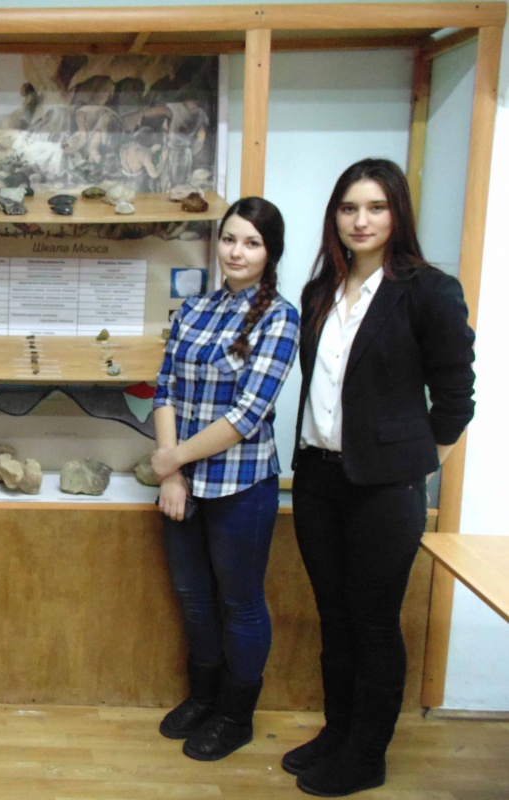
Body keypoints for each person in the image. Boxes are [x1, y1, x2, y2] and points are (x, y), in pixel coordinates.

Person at [286, 158, 475, 796]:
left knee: (372, 622)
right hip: (317, 478)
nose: (360, 220)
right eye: (349, 208)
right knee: (333, 617)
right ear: (334, 217)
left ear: (398, 214)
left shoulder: (428, 291)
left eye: (375, 207)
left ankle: (367, 756)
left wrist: (416, 464)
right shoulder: (321, 292)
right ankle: (338, 733)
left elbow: (455, 399)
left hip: (385, 490)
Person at [150, 197, 300, 761]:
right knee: (194, 599)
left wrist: (173, 459)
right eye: (230, 239)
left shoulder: (280, 317)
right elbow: (164, 388)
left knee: (240, 603)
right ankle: (204, 697)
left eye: (252, 243)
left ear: (270, 253)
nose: (237, 252)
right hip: (181, 483)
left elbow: (247, 414)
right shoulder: (195, 308)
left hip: (242, 486)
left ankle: (235, 716)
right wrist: (172, 471)